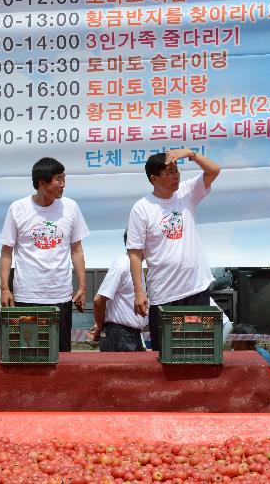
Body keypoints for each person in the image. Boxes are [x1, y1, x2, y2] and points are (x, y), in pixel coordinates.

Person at [127, 149, 221, 351]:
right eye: (168, 172)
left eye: (177, 170)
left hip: (196, 288)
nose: (175, 176)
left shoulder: (186, 192)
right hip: (164, 293)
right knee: (167, 354)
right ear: (154, 178)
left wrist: (192, 155)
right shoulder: (142, 207)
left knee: (199, 351)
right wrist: (139, 292)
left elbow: (214, 170)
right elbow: (135, 253)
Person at [0, 157, 89, 352]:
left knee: (61, 353)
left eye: (64, 178)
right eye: (59, 179)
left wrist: (82, 286)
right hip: (27, 295)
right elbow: (7, 252)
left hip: (60, 295)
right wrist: (5, 289)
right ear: (42, 183)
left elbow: (77, 249)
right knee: (28, 352)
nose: (63, 184)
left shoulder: (71, 208)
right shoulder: (18, 208)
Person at [89, 231, 148, 352]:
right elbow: (98, 300)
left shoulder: (136, 268)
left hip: (130, 335)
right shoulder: (123, 265)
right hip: (120, 336)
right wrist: (101, 325)